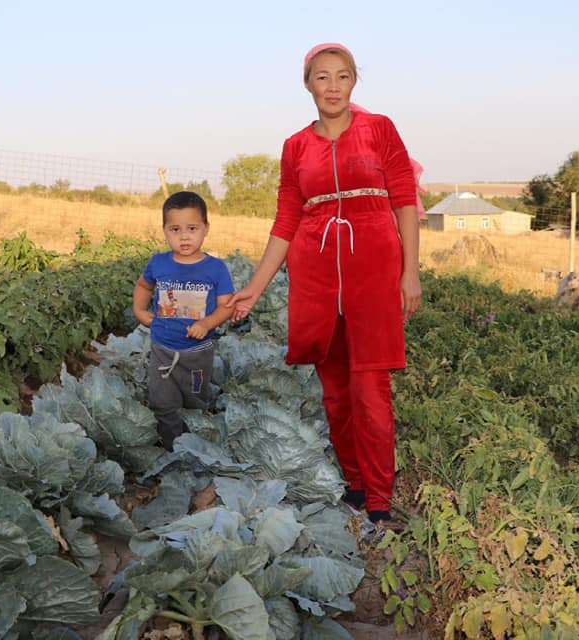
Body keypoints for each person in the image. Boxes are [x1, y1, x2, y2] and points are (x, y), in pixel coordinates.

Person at [227, 43, 422, 525]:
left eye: (342, 76)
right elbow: (286, 218)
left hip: (373, 263)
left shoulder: (379, 129)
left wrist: (410, 270)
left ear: (354, 82)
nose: (332, 86)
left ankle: (379, 498)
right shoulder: (296, 146)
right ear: (307, 83)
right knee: (333, 387)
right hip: (315, 269)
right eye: (322, 77)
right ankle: (355, 485)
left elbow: (404, 200)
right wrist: (255, 284)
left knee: (369, 385)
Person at [134, 191, 235, 451]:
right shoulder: (158, 263)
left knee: (194, 402)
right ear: (165, 231)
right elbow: (144, 286)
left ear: (206, 228)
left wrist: (206, 324)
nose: (184, 236)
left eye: (192, 228)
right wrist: (139, 310)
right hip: (162, 348)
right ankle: (171, 449)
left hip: (197, 353)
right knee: (163, 403)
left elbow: (226, 306)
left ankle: (194, 448)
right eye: (175, 229)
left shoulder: (216, 268)